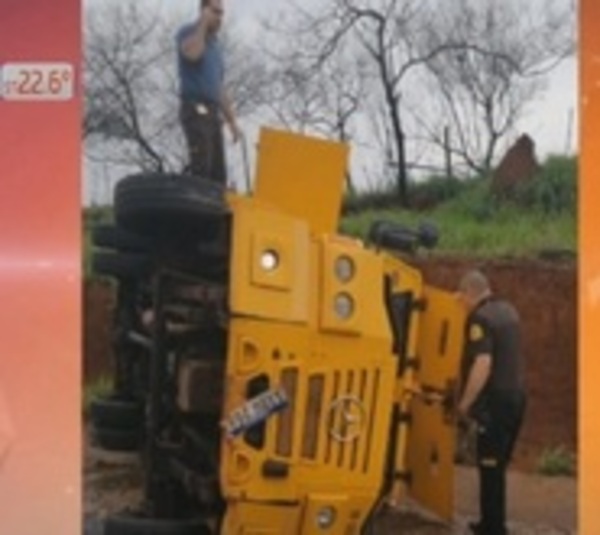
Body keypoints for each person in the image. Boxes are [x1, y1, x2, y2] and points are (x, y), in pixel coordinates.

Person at [456, 270, 527, 535]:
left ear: (468, 292)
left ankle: (493, 529)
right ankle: (490, 523)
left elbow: (483, 364)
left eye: (461, 298)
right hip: (517, 398)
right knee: (497, 466)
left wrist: (465, 403)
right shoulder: (508, 311)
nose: (461, 304)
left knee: (490, 467)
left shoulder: (480, 319)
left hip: (495, 404)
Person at [175, 0, 241, 185]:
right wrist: (203, 24)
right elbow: (193, 54)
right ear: (203, 10)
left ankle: (213, 210)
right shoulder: (188, 32)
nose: (220, 18)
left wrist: (232, 122)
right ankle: (193, 210)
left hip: (213, 112)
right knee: (202, 166)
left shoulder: (216, 48)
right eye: (215, 12)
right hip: (195, 107)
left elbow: (219, 87)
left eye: (222, 14)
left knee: (217, 173)